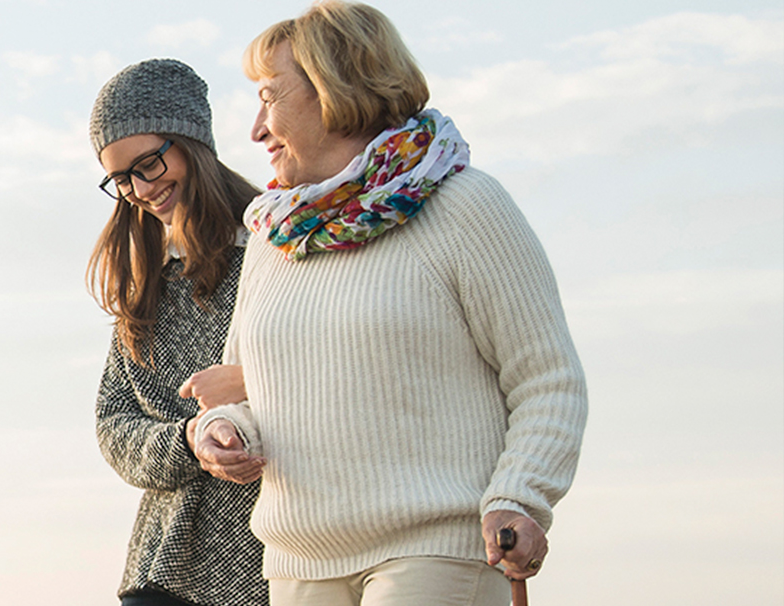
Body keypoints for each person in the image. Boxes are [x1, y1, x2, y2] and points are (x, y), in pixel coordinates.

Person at [189, 3, 589, 605]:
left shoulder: (465, 206)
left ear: (334, 87)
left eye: (269, 97)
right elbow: (254, 393)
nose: (256, 130)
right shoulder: (277, 235)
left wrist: (520, 496)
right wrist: (224, 431)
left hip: (437, 549)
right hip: (298, 560)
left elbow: (548, 377)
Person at [87, 58, 267, 606]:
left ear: (192, 142)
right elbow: (113, 424)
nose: (139, 188)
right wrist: (189, 441)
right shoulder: (144, 278)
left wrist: (248, 395)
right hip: (164, 567)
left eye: (147, 163)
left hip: (272, 556)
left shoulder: (275, 248)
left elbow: (333, 368)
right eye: (120, 178)